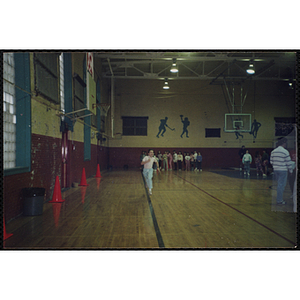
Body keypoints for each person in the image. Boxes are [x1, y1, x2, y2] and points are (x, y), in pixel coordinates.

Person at [270, 138, 294, 205]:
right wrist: (291, 170)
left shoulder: (273, 151)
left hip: (276, 170)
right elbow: (288, 162)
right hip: (283, 170)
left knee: (279, 185)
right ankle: (279, 200)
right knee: (281, 185)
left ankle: (279, 199)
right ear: (284, 143)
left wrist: (275, 166)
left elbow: (271, 161)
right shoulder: (285, 151)